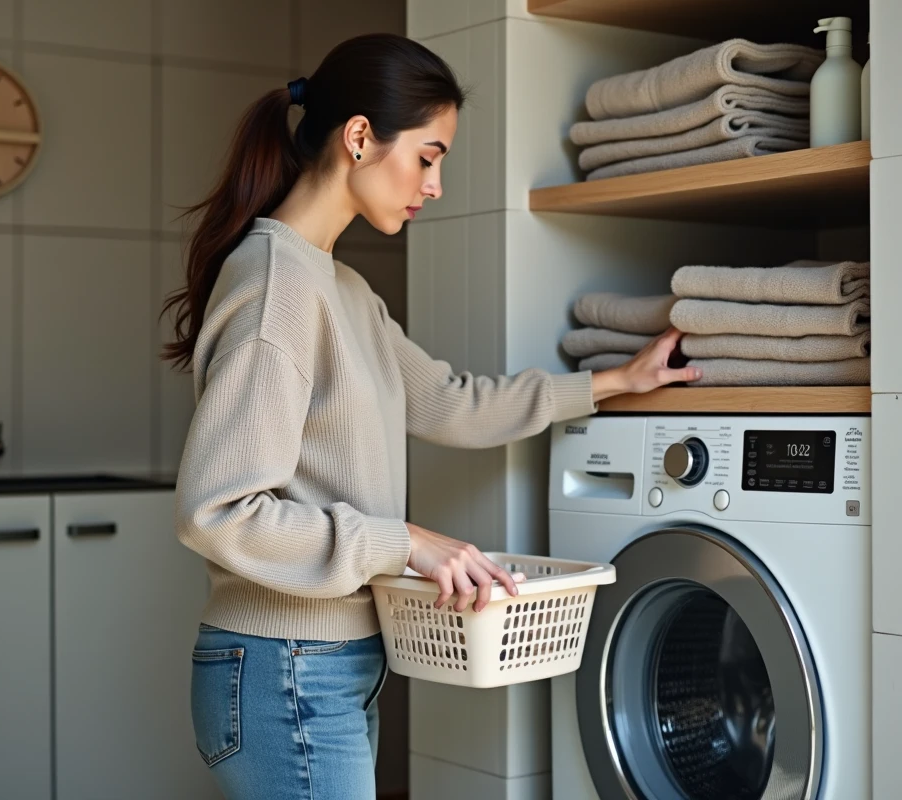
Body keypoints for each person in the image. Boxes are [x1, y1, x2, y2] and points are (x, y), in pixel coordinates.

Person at [160, 32, 701, 800]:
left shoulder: (341, 289)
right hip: (286, 668)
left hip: (322, 665)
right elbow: (218, 512)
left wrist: (614, 382)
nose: (436, 184)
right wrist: (406, 542)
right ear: (358, 137)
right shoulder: (278, 288)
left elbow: (449, 400)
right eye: (427, 157)